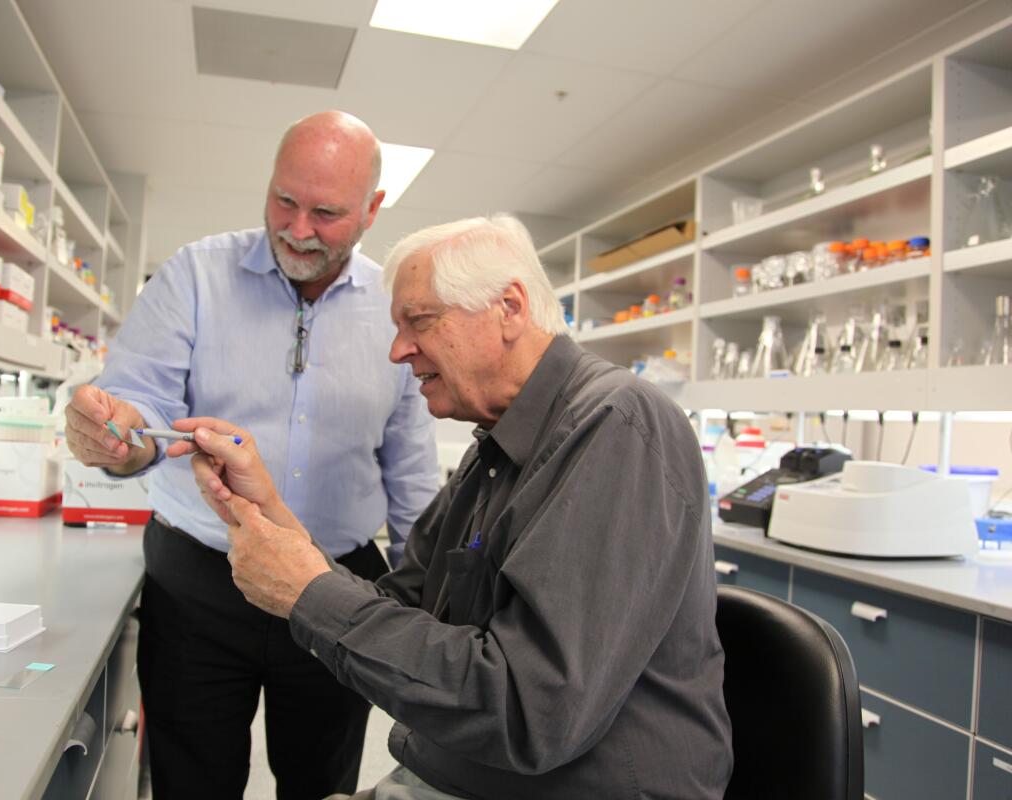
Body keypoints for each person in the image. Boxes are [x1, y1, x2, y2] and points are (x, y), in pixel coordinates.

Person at [178, 214, 734, 799]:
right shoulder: (496, 447)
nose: (398, 351)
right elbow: (396, 607)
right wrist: (267, 510)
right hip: (460, 775)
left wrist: (305, 592)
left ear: (510, 308)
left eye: (419, 321)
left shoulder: (616, 426)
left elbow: (531, 711)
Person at [63, 111, 440, 799]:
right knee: (190, 781)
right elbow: (136, 406)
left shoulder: (395, 306)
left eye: (326, 213)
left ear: (371, 210)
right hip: (198, 584)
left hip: (336, 586)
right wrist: (114, 433)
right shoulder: (196, 276)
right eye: (284, 201)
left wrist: (437, 609)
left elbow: (412, 475)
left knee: (321, 781)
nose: (298, 230)